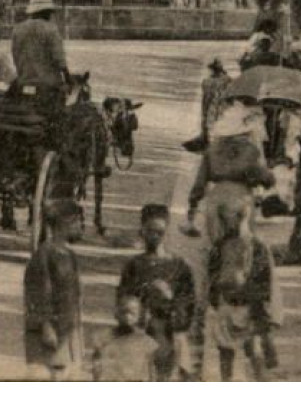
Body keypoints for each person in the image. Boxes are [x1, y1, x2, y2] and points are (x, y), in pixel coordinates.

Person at [118, 203, 196, 380]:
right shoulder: (134, 265)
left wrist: (169, 299)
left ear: (167, 232)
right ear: (142, 231)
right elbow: (122, 301)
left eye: (159, 232)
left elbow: (188, 305)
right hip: (139, 332)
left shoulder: (179, 266)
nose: (154, 237)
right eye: (150, 231)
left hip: (168, 335)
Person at [183, 99, 275, 242]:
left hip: (216, 196)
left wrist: (193, 205)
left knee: (215, 242)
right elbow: (263, 176)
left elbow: (199, 183)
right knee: (245, 241)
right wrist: (269, 180)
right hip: (241, 198)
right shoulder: (250, 150)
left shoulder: (212, 149)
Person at [206, 223, 282, 381]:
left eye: (239, 216)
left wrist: (259, 305)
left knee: (253, 348)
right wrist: (216, 297)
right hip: (226, 303)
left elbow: (265, 280)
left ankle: (261, 380)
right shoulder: (220, 245)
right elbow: (212, 273)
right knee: (225, 349)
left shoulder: (257, 246)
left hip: (248, 305)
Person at [24, 199, 84, 380]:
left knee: (66, 375)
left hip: (67, 327)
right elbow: (38, 293)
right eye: (78, 221)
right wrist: (45, 326)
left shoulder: (69, 255)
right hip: (50, 330)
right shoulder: (44, 254)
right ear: (65, 223)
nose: (81, 226)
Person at [91, 294, 160, 382]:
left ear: (139, 316)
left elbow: (152, 372)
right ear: (116, 314)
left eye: (132, 313)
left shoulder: (147, 342)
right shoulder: (103, 338)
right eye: (123, 312)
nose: (127, 316)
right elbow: (97, 368)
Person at [11, 0, 67, 93]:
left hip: (24, 82)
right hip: (49, 85)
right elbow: (59, 58)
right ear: (46, 11)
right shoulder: (51, 29)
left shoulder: (18, 29)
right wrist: (67, 78)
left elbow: (15, 56)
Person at [187, 58, 232, 152]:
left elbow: (206, 99)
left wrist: (204, 113)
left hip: (211, 106)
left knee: (210, 125)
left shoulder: (207, 81)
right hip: (223, 107)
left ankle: (211, 145)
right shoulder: (227, 79)